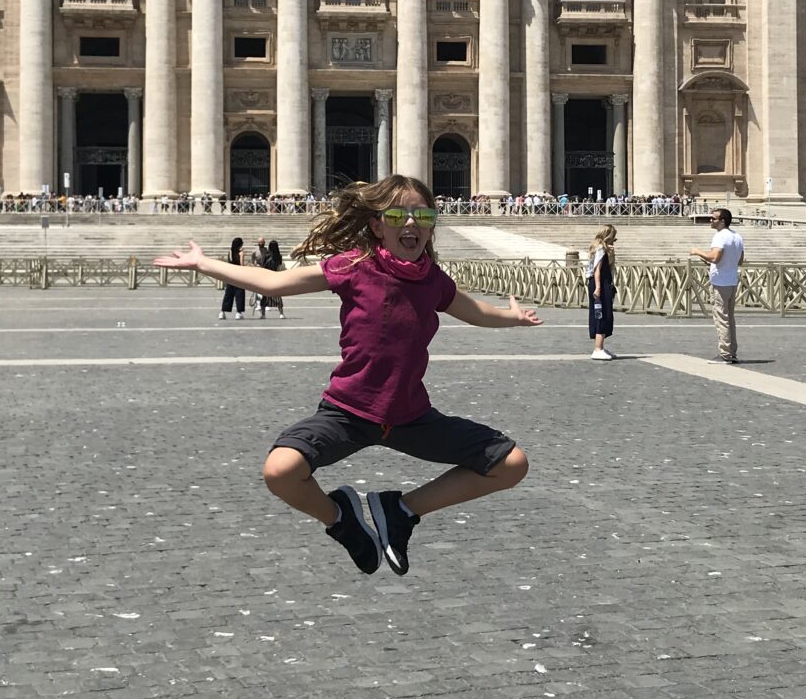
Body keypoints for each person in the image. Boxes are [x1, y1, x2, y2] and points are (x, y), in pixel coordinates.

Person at [153, 174, 539, 578]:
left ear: (431, 225)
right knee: (280, 471)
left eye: (422, 215)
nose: (411, 224)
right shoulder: (354, 266)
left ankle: (401, 510)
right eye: (397, 214)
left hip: (410, 417)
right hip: (348, 412)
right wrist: (203, 263)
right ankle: (342, 519)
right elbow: (275, 282)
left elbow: (475, 312)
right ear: (377, 225)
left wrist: (512, 318)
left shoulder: (433, 281)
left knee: (511, 464)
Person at [688, 207, 744, 364]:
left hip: (720, 282)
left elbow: (715, 257)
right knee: (729, 318)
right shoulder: (737, 236)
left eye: (713, 218)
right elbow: (739, 261)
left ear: (722, 221)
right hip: (732, 280)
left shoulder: (720, 236)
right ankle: (732, 352)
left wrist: (697, 251)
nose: (710, 221)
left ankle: (724, 354)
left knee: (721, 318)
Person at [586, 224, 618, 360]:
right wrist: (598, 288)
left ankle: (601, 347)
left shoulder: (599, 248)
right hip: (599, 283)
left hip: (601, 283)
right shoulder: (600, 249)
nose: (614, 241)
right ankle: (598, 348)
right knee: (601, 314)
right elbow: (597, 270)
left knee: (603, 313)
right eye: (613, 238)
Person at [217, 236, 247, 320]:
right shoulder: (241, 253)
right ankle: (238, 313)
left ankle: (222, 312)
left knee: (228, 294)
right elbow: (241, 265)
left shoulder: (230, 252)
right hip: (238, 275)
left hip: (230, 274)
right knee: (239, 293)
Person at [259, 239, 287, 318]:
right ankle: (281, 313)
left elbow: (263, 265)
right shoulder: (278, 256)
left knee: (264, 296)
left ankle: (263, 314)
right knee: (277, 296)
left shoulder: (266, 255)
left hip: (267, 276)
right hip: (275, 276)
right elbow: (280, 266)